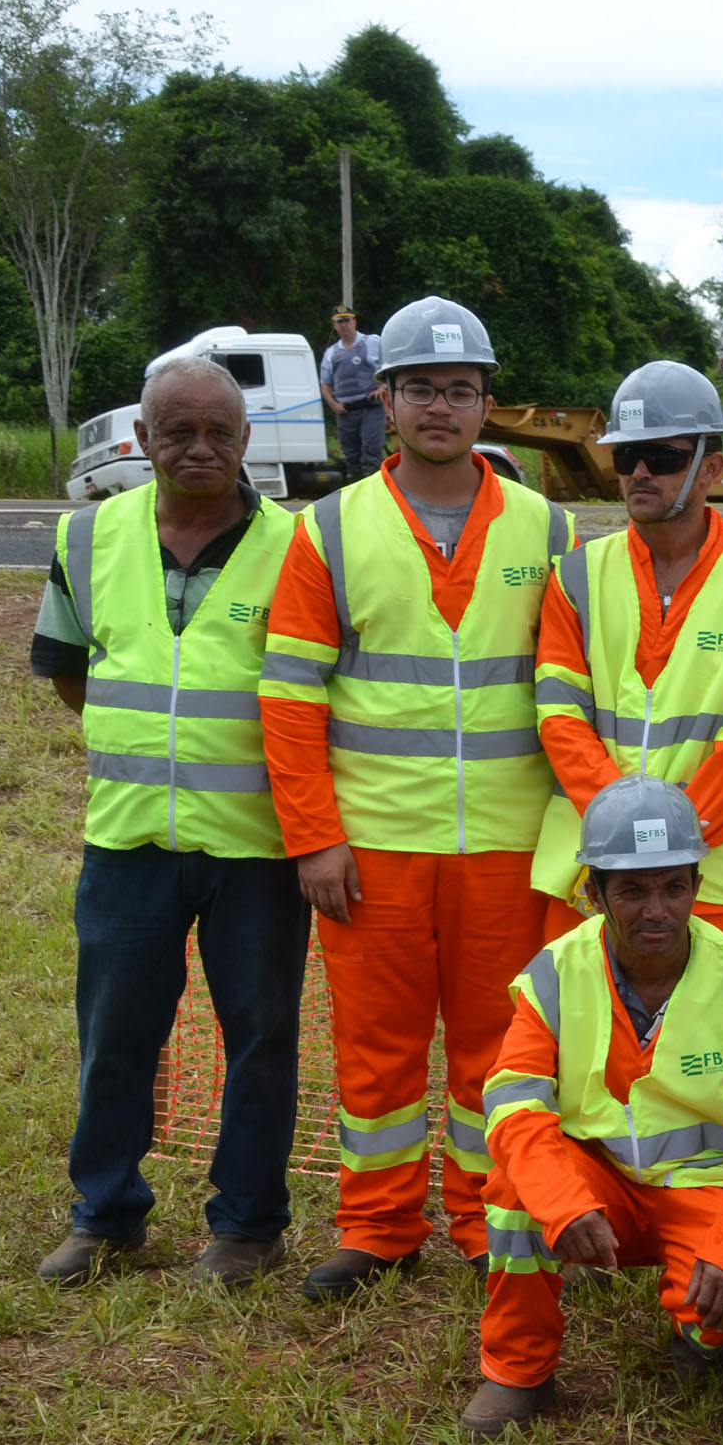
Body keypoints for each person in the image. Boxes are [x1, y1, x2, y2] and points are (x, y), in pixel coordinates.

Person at [262, 295, 573, 1301]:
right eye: (420, 389)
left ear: (488, 405)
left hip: (508, 844)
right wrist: (314, 837)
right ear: (381, 400)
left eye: (461, 390)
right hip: (376, 846)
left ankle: (492, 1221)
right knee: (377, 1052)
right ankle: (379, 1225)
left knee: (501, 1052)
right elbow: (291, 694)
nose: (440, 407)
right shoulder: (331, 532)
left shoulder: (550, 530)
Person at [29, 355, 311, 1289]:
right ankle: (105, 1214)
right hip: (127, 840)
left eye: (220, 433)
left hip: (257, 848)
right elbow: (70, 672)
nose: (200, 449)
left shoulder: (299, 545)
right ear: (141, 439)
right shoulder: (88, 538)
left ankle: (248, 1225)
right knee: (116, 1035)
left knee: (261, 1036)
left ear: (246, 441)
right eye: (178, 432)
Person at [461, 776, 723, 1436]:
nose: (658, 910)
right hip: (596, 1193)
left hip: (706, 1190)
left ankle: (699, 1332)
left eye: (675, 886)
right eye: (633, 889)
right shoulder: (554, 975)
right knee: (515, 1191)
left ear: (698, 886)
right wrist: (563, 1201)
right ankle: (517, 1371)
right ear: (593, 893)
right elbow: (512, 1105)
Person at [532, 362, 723, 948]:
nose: (640, 473)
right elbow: (559, 716)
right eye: (626, 458)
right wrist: (621, 841)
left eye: (663, 457)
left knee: (706, 1037)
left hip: (710, 880)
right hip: (589, 876)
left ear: (712, 469)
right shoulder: (575, 578)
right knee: (583, 1037)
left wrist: (666, 846)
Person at [319, 306, 385, 483]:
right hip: (346, 412)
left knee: (371, 454)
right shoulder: (331, 353)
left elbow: (390, 367)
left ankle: (376, 496)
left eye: (347, 320)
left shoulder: (371, 342)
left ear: (354, 321)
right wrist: (333, 404)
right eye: (339, 322)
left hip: (370, 408)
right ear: (334, 326)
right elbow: (325, 384)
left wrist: (383, 387)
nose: (344, 326)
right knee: (352, 458)